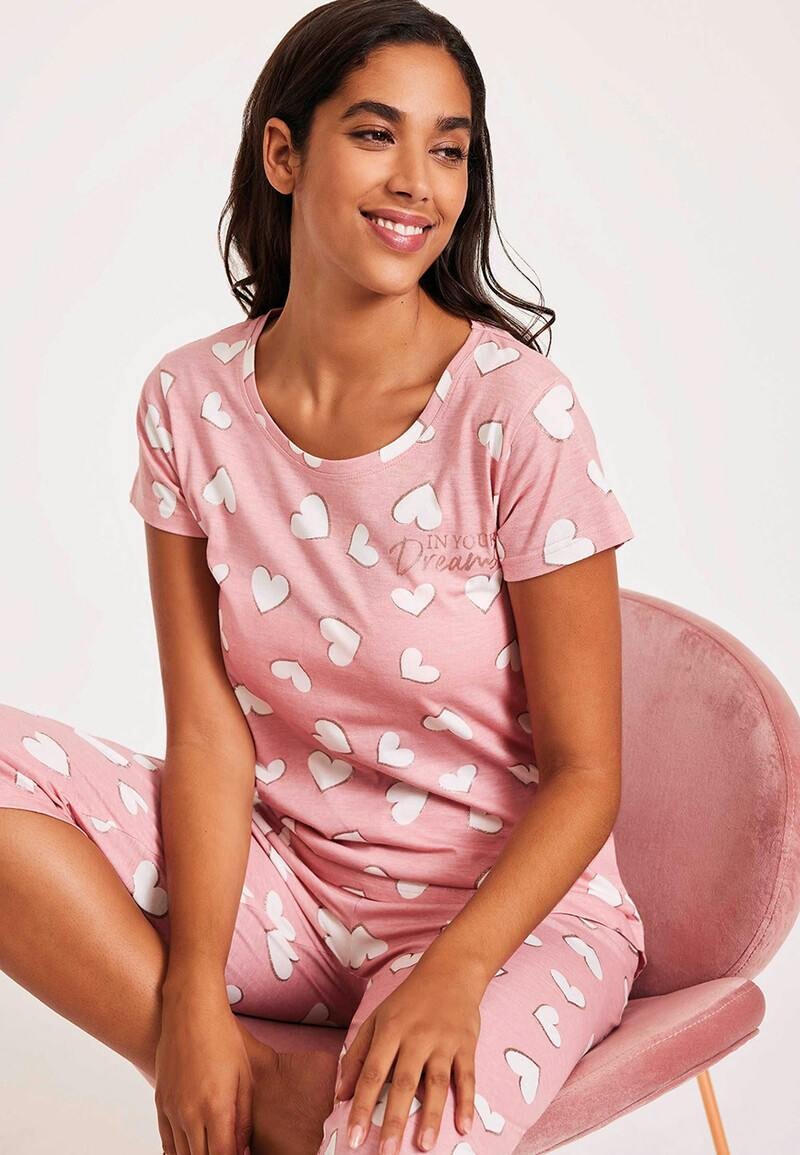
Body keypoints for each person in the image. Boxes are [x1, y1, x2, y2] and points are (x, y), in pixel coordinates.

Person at [0, 2, 647, 1153]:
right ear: (284, 153)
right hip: (288, 885)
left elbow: (586, 774)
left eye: (448, 149)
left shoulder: (516, 413)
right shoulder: (189, 402)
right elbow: (208, 729)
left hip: (510, 920)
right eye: (374, 134)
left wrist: (456, 974)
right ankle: (255, 1085)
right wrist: (190, 1006)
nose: (415, 183)